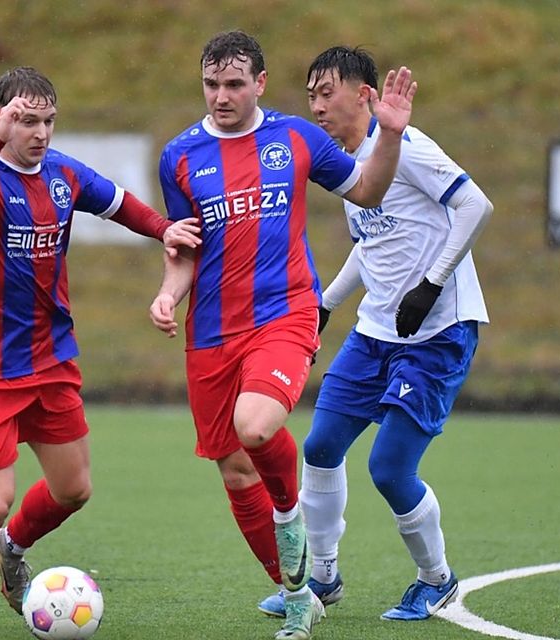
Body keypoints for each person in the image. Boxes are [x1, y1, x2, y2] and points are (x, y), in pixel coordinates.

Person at [149, 31, 416, 640]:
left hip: (284, 315)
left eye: (234, 84)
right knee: (235, 471)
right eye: (212, 84)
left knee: (256, 427)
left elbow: (368, 189)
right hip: (211, 331)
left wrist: (392, 134)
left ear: (260, 84)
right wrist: (168, 293)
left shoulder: (296, 137)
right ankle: (296, 593)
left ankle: (291, 514)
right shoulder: (180, 157)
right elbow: (184, 250)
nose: (221, 96)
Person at [0, 66, 200, 636]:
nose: (41, 133)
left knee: (73, 489)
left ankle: (12, 547)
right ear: (0, 119)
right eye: (27, 121)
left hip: (50, 360)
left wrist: (163, 229)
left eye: (48, 120)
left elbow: (120, 202)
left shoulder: (62, 174)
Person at [264, 45, 490, 621]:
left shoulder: (407, 147)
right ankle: (323, 577)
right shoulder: (349, 164)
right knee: (318, 447)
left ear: (365, 94)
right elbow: (374, 245)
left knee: (389, 468)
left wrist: (433, 285)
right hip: (376, 334)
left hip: (437, 333)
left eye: (326, 93)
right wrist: (325, 304)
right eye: (309, 95)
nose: (315, 106)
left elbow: (474, 205)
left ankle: (436, 579)